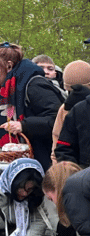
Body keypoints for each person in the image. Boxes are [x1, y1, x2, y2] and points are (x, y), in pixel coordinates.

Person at [1, 42, 65, 171]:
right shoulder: (5, 88)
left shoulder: (34, 84)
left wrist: (23, 125)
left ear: (8, 66)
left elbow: (58, 118)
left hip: (38, 161)